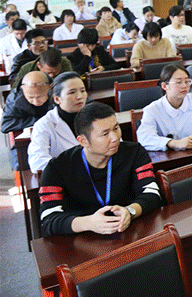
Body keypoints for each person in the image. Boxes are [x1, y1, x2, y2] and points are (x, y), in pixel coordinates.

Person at [38, 102, 162, 237]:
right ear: (83, 141)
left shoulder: (134, 152)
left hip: (129, 232)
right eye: (105, 134)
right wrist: (88, 223)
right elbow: (49, 219)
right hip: (83, 240)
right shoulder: (56, 169)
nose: (115, 138)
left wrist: (130, 211)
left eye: (116, 128)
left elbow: (152, 192)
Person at [137, 64, 192, 151]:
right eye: (179, 82)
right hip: (169, 155)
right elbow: (144, 138)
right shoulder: (152, 110)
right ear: (164, 86)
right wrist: (174, 143)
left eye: (187, 81)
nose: (184, 86)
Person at [27, 72, 85, 173]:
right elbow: (37, 162)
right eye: (72, 92)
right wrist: (75, 168)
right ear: (57, 99)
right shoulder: (44, 125)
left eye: (83, 91)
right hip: (66, 178)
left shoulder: (95, 116)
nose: (80, 96)